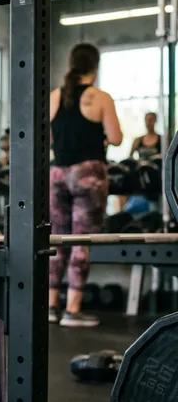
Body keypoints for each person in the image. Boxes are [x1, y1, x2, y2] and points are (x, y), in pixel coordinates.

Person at [49, 42, 122, 327]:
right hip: (87, 174)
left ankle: (50, 306)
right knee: (81, 241)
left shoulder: (55, 95)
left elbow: (49, 139)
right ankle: (73, 310)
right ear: (95, 66)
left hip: (56, 174)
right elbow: (115, 138)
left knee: (55, 240)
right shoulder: (100, 97)